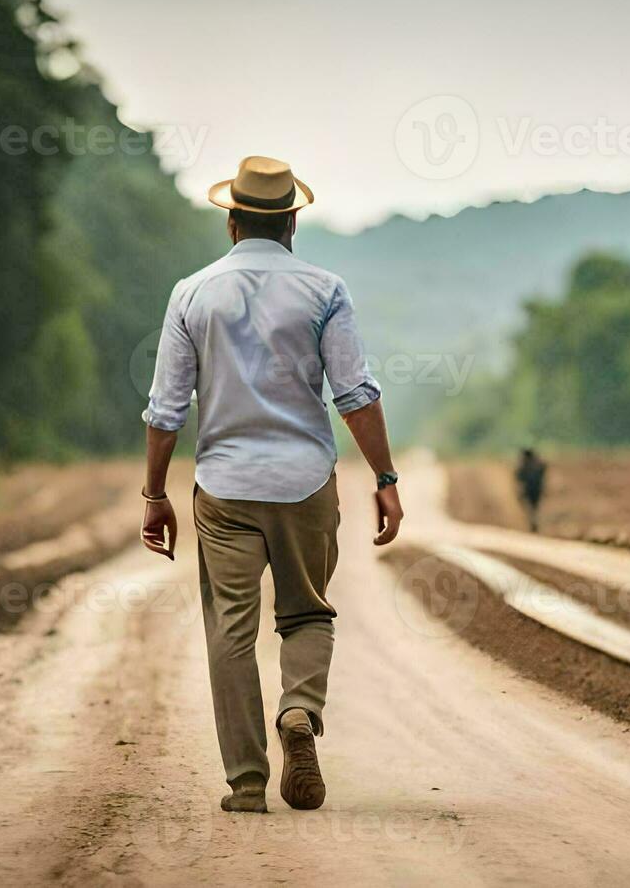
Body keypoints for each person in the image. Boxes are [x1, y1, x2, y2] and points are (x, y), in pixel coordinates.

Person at [139, 156, 403, 815]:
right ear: (291, 221)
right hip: (306, 481)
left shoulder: (191, 293)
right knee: (308, 610)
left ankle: (247, 783)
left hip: (223, 486)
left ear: (232, 222)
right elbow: (355, 395)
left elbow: (166, 410)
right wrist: (385, 477)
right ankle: (300, 711)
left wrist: (153, 495)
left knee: (230, 628)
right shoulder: (324, 289)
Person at [514, 447, 547, 533]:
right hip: (534, 490)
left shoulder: (527, 466)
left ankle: (533, 523)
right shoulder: (535, 465)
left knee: (532, 508)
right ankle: (533, 523)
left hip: (531, 490)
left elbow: (519, 477)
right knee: (533, 508)